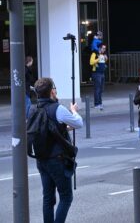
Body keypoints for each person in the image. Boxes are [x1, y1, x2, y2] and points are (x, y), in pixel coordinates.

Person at [31, 77, 83, 223]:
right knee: (66, 197)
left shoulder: (34, 109)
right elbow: (78, 123)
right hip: (57, 160)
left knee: (48, 198)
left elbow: (46, 129)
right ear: (51, 91)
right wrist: (73, 111)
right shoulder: (58, 109)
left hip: (41, 160)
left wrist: (64, 127)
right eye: (54, 88)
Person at [90, 43, 108, 110]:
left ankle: (100, 103)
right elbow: (91, 62)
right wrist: (98, 59)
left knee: (101, 89)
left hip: (102, 73)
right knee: (97, 89)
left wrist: (106, 59)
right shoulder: (94, 54)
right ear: (99, 48)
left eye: (105, 48)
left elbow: (103, 63)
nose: (104, 49)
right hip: (96, 74)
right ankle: (96, 104)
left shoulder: (103, 55)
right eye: (103, 48)